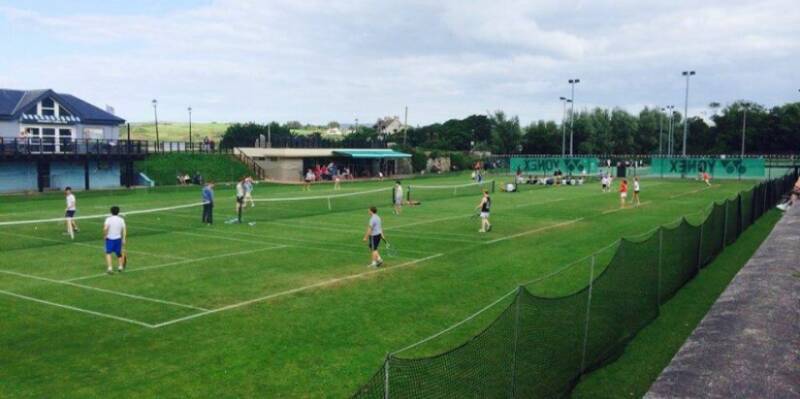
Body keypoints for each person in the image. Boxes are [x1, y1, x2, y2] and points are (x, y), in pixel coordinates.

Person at [103, 206, 127, 274]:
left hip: (109, 239)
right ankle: (120, 267)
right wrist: (124, 238)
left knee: (108, 253)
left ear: (111, 212)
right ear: (118, 212)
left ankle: (110, 268)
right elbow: (124, 230)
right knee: (119, 254)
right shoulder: (121, 220)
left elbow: (105, 228)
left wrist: (105, 235)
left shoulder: (108, 219)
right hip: (118, 239)